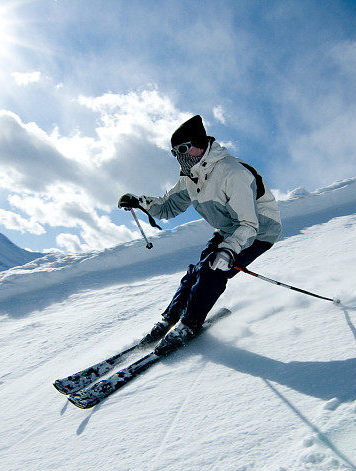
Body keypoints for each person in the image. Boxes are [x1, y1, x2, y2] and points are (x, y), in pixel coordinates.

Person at [118, 115, 282, 351]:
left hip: (258, 231)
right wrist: (141, 202)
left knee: (212, 270)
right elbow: (168, 207)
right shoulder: (190, 178)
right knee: (195, 272)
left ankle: (190, 323)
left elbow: (248, 223)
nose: (179, 156)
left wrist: (228, 250)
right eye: (175, 152)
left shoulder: (232, 173)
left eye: (183, 149)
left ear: (200, 144)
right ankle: (171, 317)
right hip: (228, 229)